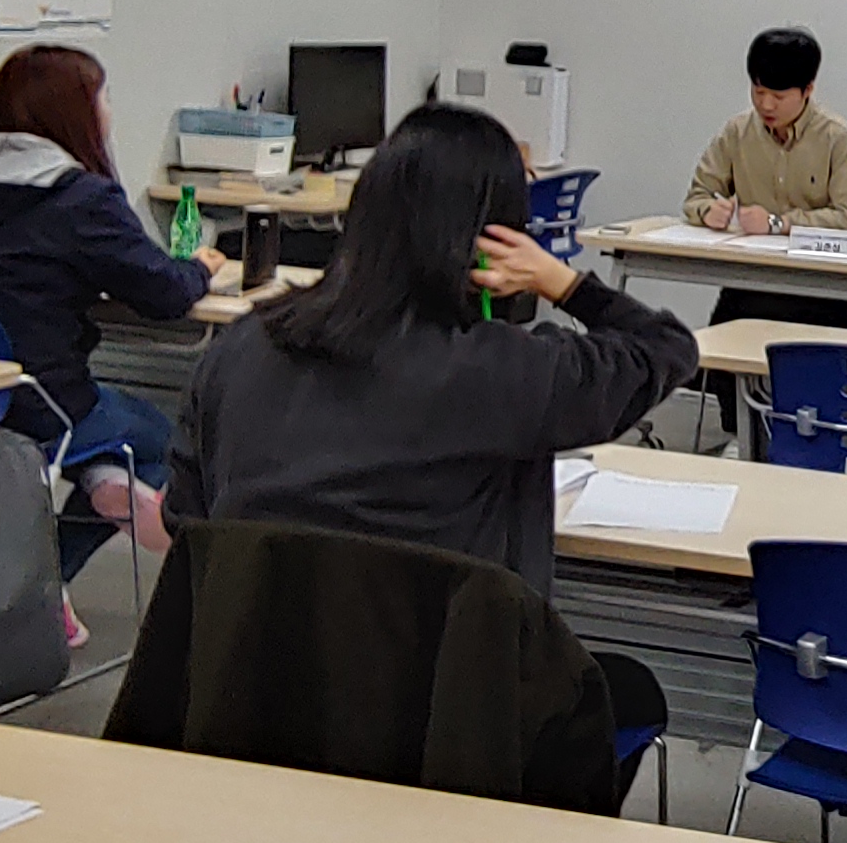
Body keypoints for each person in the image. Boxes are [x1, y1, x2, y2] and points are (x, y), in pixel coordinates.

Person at [174, 101, 700, 595]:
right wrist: (562, 282)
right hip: (444, 660)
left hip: (250, 655)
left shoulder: (239, 348)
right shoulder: (503, 371)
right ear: (493, 246)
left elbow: (184, 522)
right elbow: (665, 346)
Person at [0, 41, 224, 563]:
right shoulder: (81, 198)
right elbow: (165, 293)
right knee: (163, 441)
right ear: (77, 113)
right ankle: (48, 573)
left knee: (103, 438)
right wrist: (201, 268)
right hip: (38, 404)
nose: (108, 112)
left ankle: (96, 481)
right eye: (103, 99)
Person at [681, 26, 847, 238]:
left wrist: (779, 224)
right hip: (750, 254)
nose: (766, 105)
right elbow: (697, 196)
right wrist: (707, 211)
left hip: (812, 256)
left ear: (807, 90)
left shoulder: (838, 139)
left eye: (779, 97)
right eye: (759, 92)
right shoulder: (737, 133)